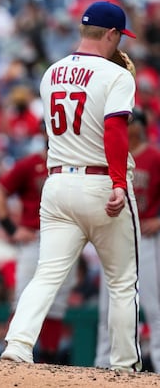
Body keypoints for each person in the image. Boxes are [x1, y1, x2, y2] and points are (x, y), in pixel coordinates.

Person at [0, 1, 142, 372]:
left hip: (58, 182)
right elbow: (114, 129)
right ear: (111, 34)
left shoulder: (51, 73)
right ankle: (124, 367)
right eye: (118, 37)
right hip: (100, 183)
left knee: (46, 273)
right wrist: (117, 183)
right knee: (122, 282)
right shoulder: (117, 76)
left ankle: (17, 343)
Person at [0, 132, 76, 364]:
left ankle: (49, 363)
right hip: (34, 237)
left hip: (67, 236)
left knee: (57, 304)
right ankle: (12, 355)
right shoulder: (31, 164)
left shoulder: (75, 161)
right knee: (23, 298)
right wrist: (12, 229)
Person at [95, 108, 160, 370]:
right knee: (106, 307)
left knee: (155, 309)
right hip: (114, 236)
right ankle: (100, 365)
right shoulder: (110, 153)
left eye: (135, 122)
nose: (131, 126)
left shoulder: (154, 156)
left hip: (147, 239)